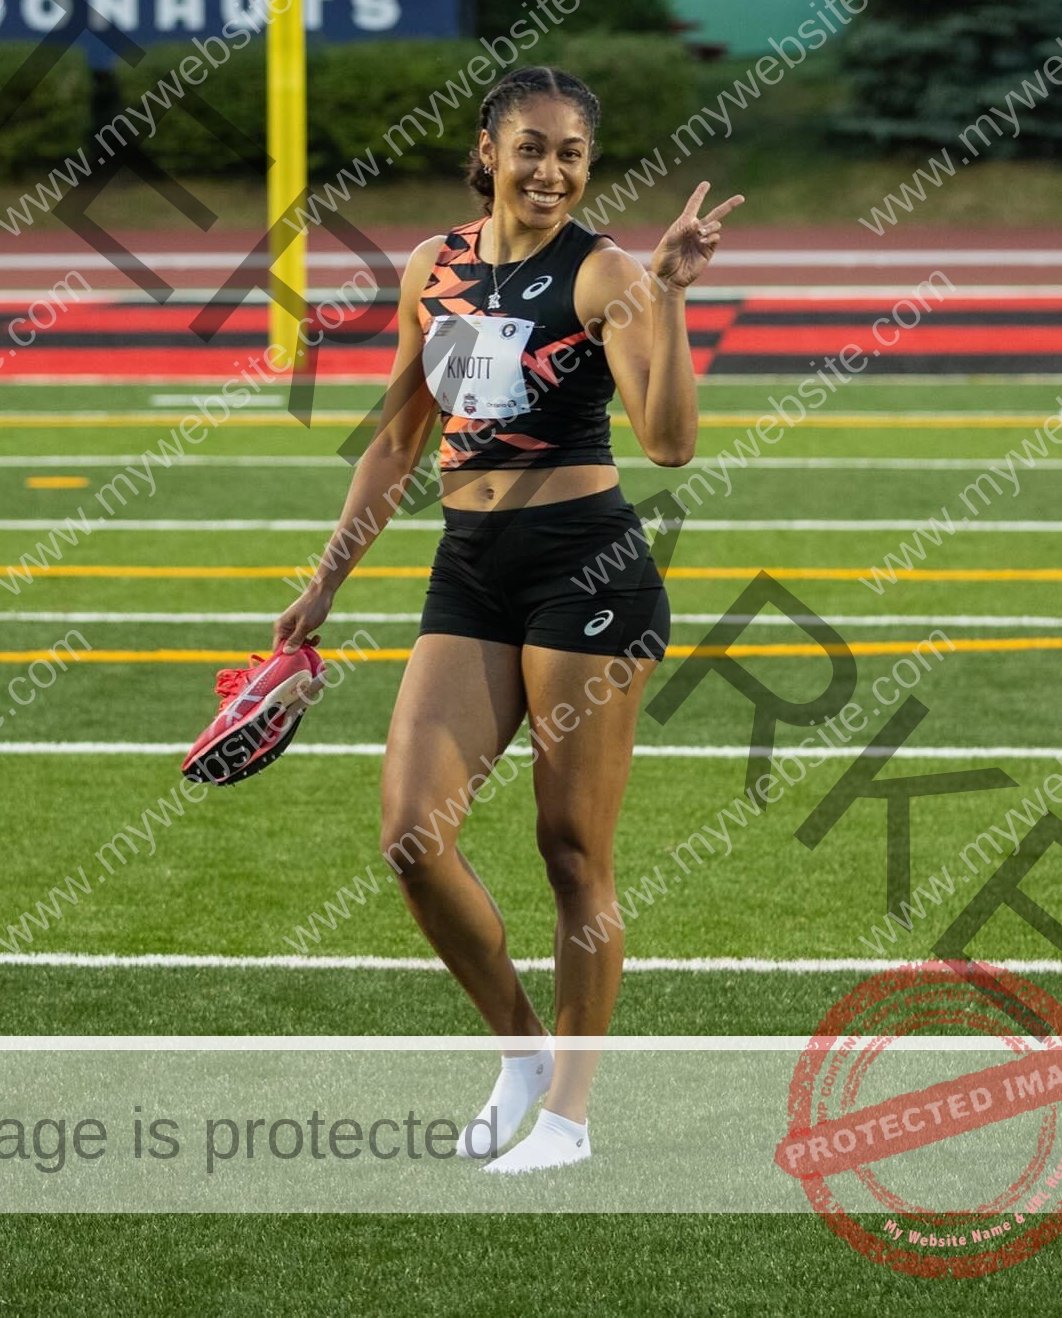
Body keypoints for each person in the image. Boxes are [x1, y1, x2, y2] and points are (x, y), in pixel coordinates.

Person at [274, 66, 743, 1174]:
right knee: (411, 836)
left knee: (572, 852)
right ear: (488, 151)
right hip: (470, 569)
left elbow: (670, 442)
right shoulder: (432, 267)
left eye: (572, 153)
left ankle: (568, 1120)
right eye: (531, 147)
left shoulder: (605, 271)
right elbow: (398, 440)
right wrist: (326, 582)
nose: (551, 170)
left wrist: (671, 295)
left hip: (588, 573)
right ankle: (523, 1050)